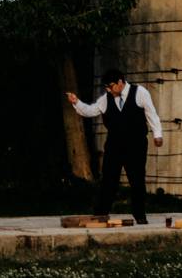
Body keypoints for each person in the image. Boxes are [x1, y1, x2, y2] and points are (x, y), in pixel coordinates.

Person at [66, 68, 163, 224]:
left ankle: (140, 215)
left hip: (136, 144)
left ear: (120, 82)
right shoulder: (107, 98)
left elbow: (151, 113)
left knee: (137, 179)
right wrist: (76, 102)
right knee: (109, 179)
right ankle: (101, 213)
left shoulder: (140, 93)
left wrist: (157, 134)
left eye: (110, 86)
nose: (108, 90)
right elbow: (91, 111)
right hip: (114, 144)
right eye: (106, 87)